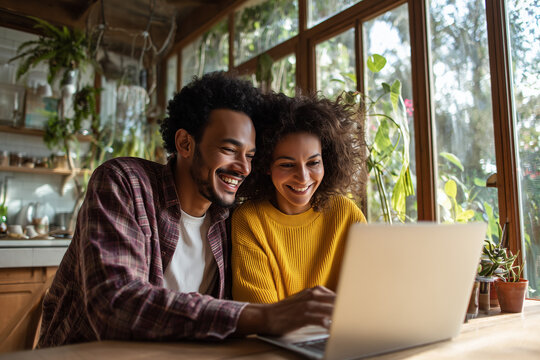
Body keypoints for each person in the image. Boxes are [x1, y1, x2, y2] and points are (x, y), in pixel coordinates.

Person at [38, 72, 335, 348]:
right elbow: (116, 304)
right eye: (230, 150)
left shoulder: (229, 219)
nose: (243, 168)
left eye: (250, 156)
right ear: (184, 143)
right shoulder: (124, 183)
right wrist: (262, 316)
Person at [232, 92, 367, 304]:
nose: (303, 177)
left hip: (345, 334)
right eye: (287, 165)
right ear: (266, 166)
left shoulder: (347, 214)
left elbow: (367, 299)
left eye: (313, 163)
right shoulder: (249, 220)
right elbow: (261, 314)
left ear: (327, 161)